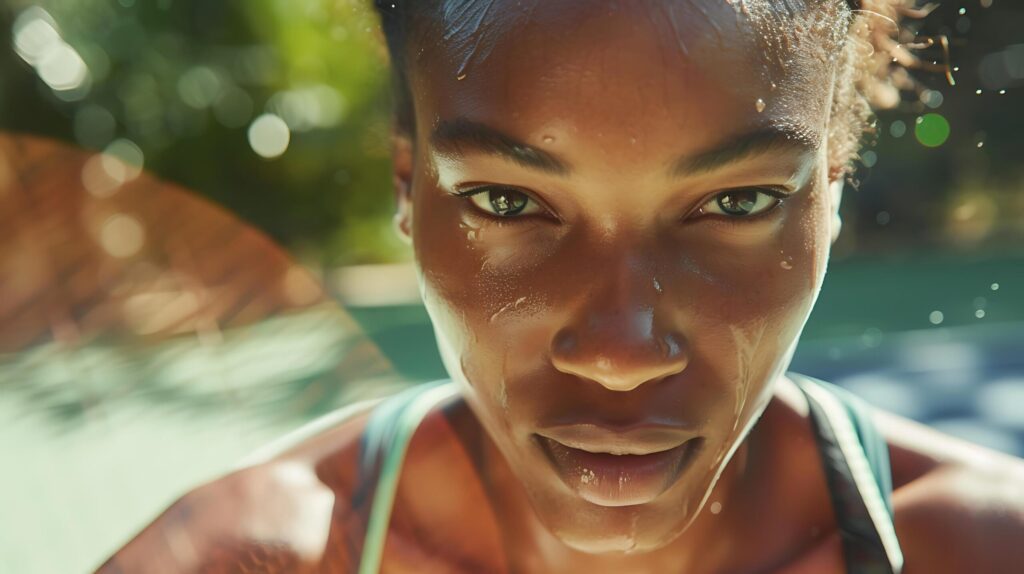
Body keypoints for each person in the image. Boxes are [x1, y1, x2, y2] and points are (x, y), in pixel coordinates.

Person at [97, 1, 1024, 572]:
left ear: (830, 191)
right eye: (507, 200)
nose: (621, 354)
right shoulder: (242, 562)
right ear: (407, 190)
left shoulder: (984, 550)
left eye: (738, 200)